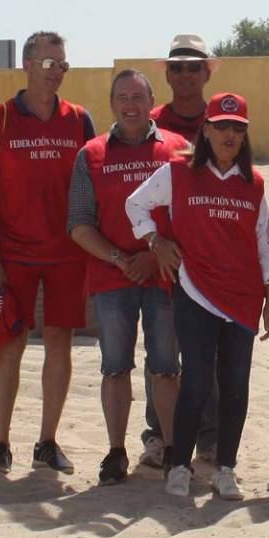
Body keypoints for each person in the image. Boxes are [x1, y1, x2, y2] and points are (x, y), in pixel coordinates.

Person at [126, 93, 269, 500]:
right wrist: (155, 241)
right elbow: (134, 204)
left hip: (243, 297)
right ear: (206, 130)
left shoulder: (253, 183)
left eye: (237, 128)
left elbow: (263, 242)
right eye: (222, 126)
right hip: (195, 291)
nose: (229, 135)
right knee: (195, 380)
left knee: (235, 385)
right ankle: (180, 466)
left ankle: (226, 469)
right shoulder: (177, 173)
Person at [0, 31, 97, 475]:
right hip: (15, 255)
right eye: (48, 64)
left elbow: (95, 187)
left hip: (67, 253)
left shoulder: (80, 120)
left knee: (60, 343)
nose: (56, 73)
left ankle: (47, 441)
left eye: (62, 65)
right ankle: (0, 445)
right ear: (26, 65)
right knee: (10, 345)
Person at [68, 69, 187, 485]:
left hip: (163, 278)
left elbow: (191, 219)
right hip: (112, 279)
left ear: (151, 100)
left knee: (165, 368)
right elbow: (80, 224)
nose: (130, 105)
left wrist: (155, 259)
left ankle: (174, 452)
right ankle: (116, 452)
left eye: (138, 96)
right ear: (112, 103)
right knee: (115, 367)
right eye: (122, 97)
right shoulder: (91, 154)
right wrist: (122, 259)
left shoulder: (177, 150)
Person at [150, 33, 217, 146]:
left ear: (207, 75)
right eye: (176, 68)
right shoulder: (151, 124)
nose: (185, 74)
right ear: (167, 76)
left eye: (193, 67)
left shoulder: (220, 124)